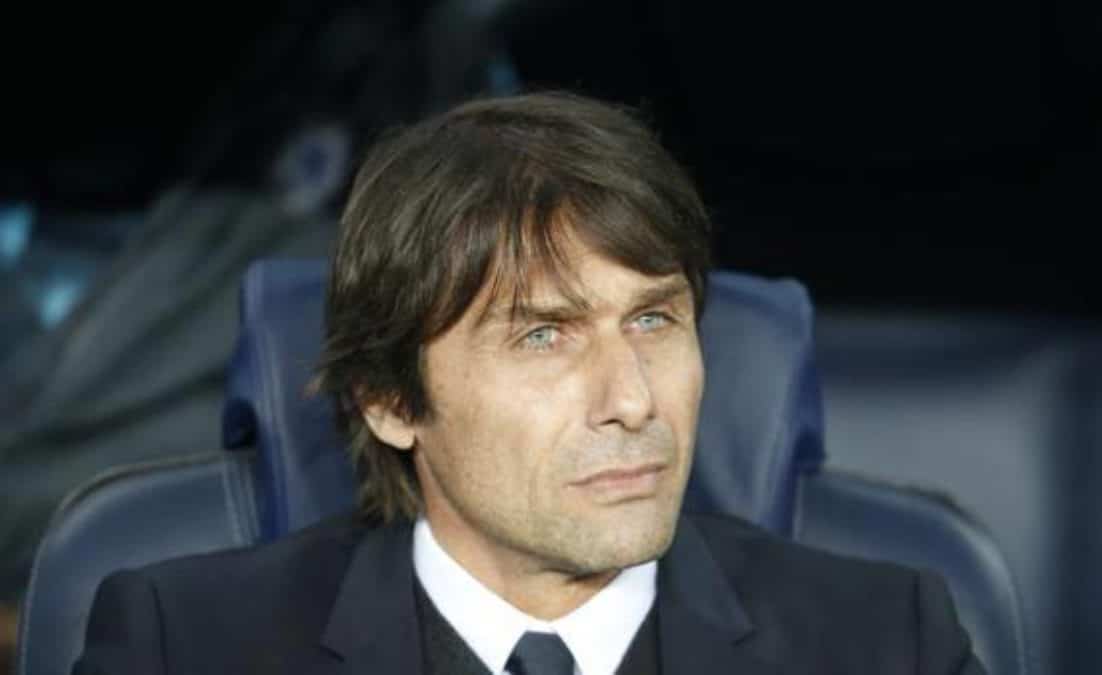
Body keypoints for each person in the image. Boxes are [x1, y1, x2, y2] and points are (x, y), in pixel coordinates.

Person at [73, 91, 986, 674]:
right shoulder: (181, 644)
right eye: (544, 335)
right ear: (389, 399)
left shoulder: (888, 640)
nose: (633, 399)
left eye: (653, 320)